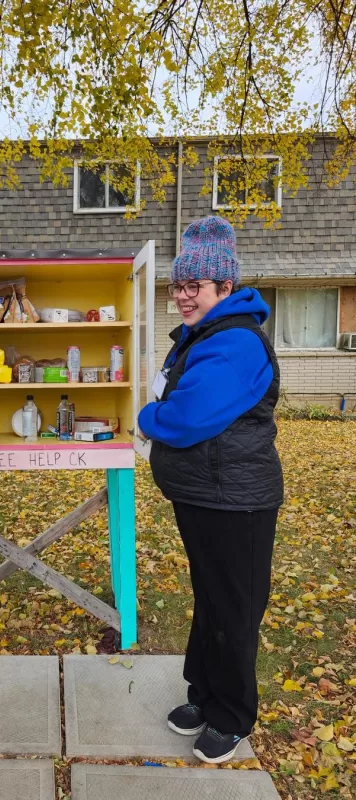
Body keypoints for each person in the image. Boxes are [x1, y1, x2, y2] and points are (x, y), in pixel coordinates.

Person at [138, 216, 283, 764]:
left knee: (234, 609)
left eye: (193, 286)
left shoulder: (239, 341)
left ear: (225, 287)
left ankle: (232, 716)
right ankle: (204, 695)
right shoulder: (207, 334)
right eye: (178, 286)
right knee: (211, 603)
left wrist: (149, 415)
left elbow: (189, 414)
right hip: (205, 495)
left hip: (236, 501)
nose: (181, 296)